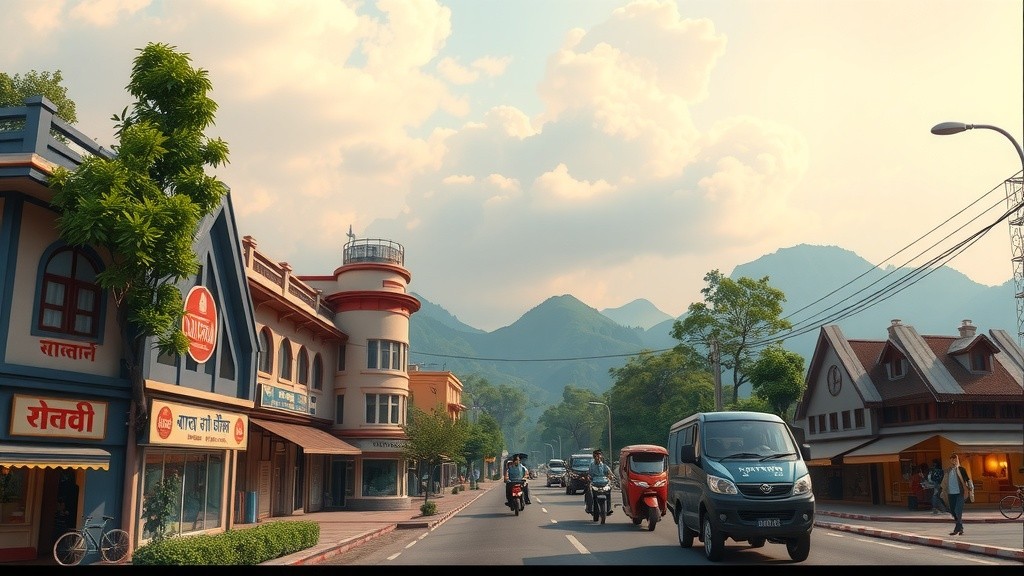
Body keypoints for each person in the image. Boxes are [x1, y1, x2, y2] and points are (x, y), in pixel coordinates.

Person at [939, 453, 973, 536]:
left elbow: (967, 479)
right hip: (950, 494)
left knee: (958, 511)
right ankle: (959, 528)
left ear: (957, 460)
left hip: (960, 493)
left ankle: (957, 529)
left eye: (955, 459)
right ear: (950, 460)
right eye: (952, 459)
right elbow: (944, 482)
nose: (954, 461)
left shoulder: (961, 469)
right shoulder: (947, 470)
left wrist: (970, 488)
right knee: (953, 511)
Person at [584, 449, 614, 515]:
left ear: (601, 456)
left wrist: (610, 476)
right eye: (595, 455)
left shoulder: (604, 465)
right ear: (593, 456)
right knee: (589, 492)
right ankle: (590, 508)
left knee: (608, 493)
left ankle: (609, 509)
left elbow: (609, 473)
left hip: (604, 483)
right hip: (594, 482)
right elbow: (589, 473)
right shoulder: (591, 465)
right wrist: (588, 477)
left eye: (598, 455)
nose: (597, 457)